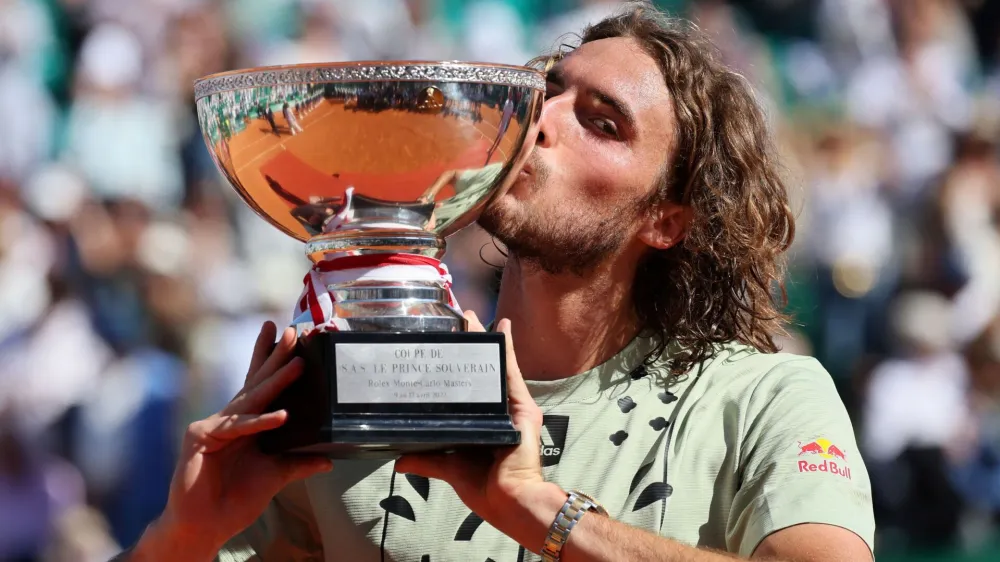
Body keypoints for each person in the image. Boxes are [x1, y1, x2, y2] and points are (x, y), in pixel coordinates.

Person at [118, 4, 875, 561]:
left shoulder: (763, 399)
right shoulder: (356, 393)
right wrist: (181, 535)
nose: (542, 118)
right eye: (548, 89)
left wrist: (538, 509)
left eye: (603, 122)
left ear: (666, 221)